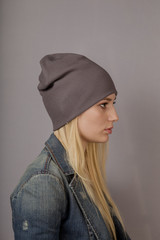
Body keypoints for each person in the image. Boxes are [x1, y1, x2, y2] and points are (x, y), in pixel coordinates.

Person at [10, 53, 131, 240]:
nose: (114, 115)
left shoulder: (82, 173)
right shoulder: (43, 184)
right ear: (72, 110)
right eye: (103, 104)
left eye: (112, 103)